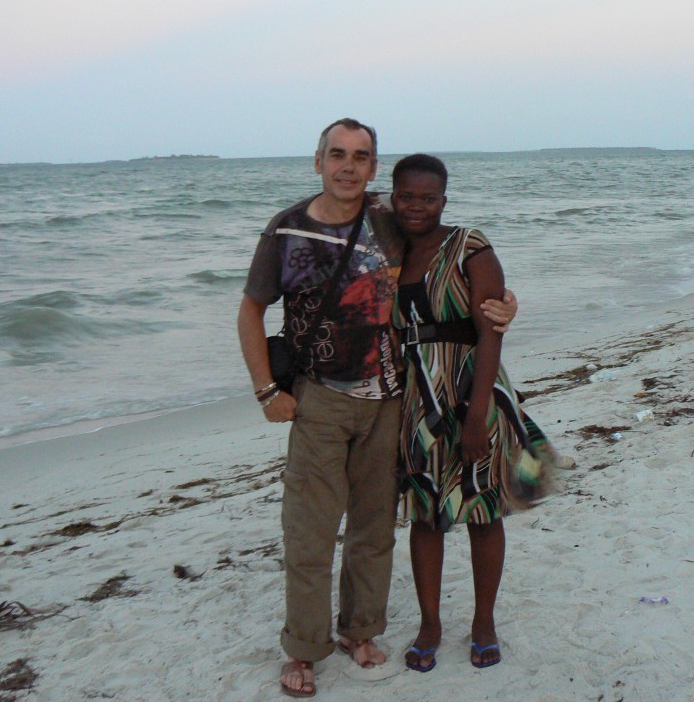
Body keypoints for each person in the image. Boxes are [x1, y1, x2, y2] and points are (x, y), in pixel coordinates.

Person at [237, 119, 516, 697]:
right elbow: (250, 311)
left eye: (360, 157)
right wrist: (267, 391)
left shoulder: (391, 217)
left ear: (371, 169)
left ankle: (361, 632)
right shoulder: (287, 229)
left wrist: (507, 304)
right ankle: (305, 649)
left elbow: (471, 283)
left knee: (376, 528)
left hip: (396, 398)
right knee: (310, 532)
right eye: (337, 155)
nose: (347, 166)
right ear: (318, 161)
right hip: (325, 397)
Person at [389, 153, 554, 674]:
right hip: (418, 401)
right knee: (425, 516)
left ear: (444, 199)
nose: (417, 206)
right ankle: (430, 624)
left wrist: (477, 414)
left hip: (473, 392)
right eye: (407, 197)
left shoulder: (470, 246)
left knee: (483, 513)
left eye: (428, 197)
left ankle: (484, 622)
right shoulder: (388, 250)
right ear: (393, 198)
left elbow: (490, 330)